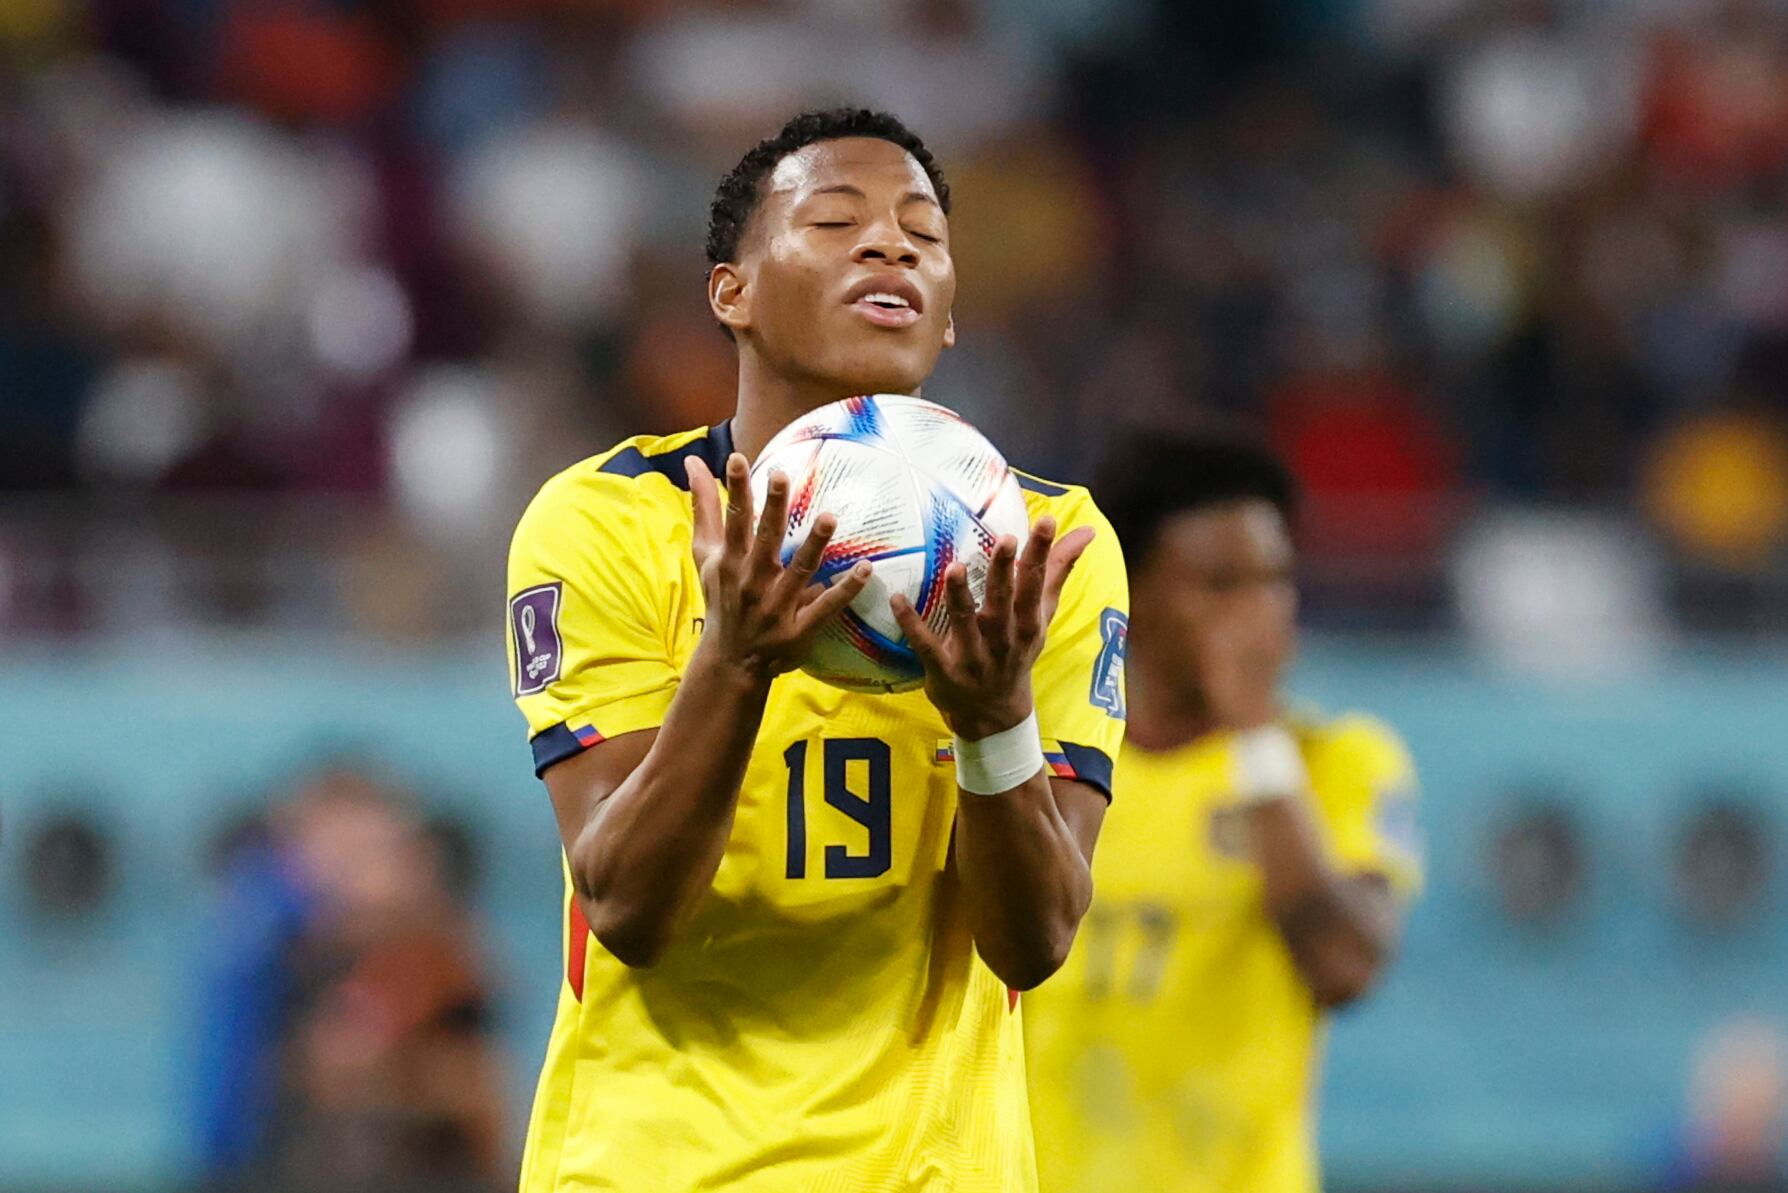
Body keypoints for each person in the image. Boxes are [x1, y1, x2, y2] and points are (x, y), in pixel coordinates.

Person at [504, 109, 1129, 1192]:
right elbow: (626, 905)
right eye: (836, 221)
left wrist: (993, 723)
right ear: (729, 293)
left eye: (923, 237)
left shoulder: (1046, 549)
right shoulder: (604, 521)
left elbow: (1033, 942)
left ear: (945, 319)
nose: (891, 247)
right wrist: (734, 662)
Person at [1023, 423, 1423, 1193]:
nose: (1260, 611)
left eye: (1276, 579)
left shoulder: (1335, 760)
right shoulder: (1052, 770)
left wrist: (1255, 735)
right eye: (1220, 584)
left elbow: (1345, 964)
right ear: (1130, 593)